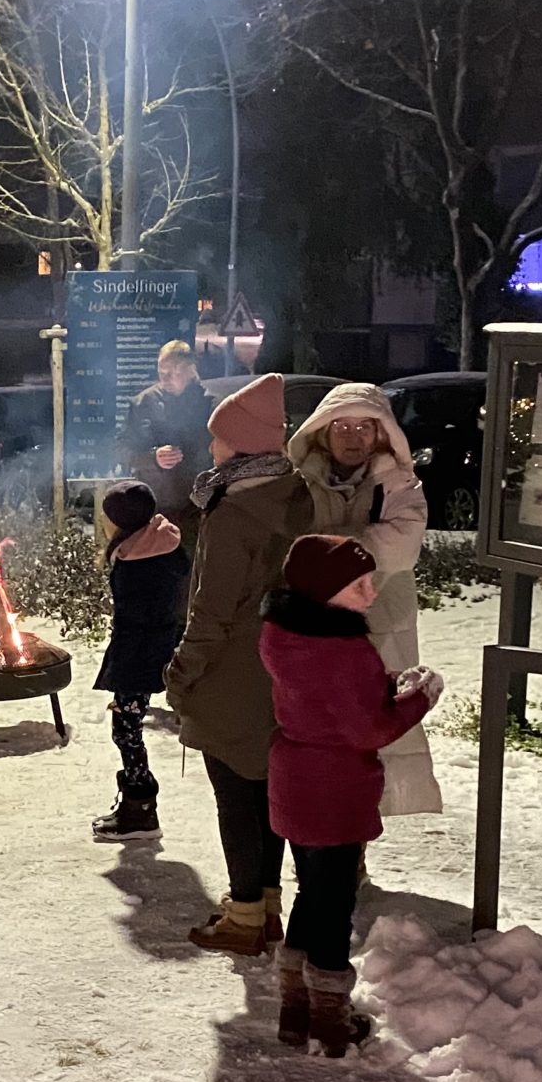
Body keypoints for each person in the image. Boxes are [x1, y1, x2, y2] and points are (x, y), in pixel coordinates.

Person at [259, 534, 442, 1054]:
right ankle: (330, 1022)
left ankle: (294, 1010)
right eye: (358, 585)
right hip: (334, 789)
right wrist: (420, 699)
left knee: (310, 893)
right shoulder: (345, 650)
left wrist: (383, 684)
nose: (371, 592)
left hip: (295, 778)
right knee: (335, 905)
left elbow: (328, 694)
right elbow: (369, 730)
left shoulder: (285, 634)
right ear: (324, 592)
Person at [163, 371, 304, 953]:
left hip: (233, 674)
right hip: (286, 667)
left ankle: (244, 916)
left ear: (241, 444)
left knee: (235, 795)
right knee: (269, 789)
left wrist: (180, 675)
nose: (211, 446)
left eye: (219, 437)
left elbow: (211, 611)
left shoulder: (233, 512)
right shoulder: (297, 494)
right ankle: (266, 904)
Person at [284, 381, 443, 817]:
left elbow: (402, 544)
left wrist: (326, 550)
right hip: (314, 623)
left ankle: (356, 830)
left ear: (381, 432)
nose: (352, 437)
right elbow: (284, 540)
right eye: (342, 426)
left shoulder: (399, 482)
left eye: (364, 427)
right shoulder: (298, 481)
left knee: (372, 722)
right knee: (319, 724)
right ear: (323, 430)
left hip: (381, 615)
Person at [90, 478, 190, 842]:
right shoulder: (161, 543)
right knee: (127, 726)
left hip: (139, 654)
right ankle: (138, 805)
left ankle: (141, 810)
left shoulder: (135, 560)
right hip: (156, 645)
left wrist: (122, 669)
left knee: (126, 730)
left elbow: (134, 618)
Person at [119, 339, 211, 531]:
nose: (165, 379)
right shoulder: (143, 403)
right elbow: (122, 451)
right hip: (157, 508)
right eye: (161, 373)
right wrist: (153, 458)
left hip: (200, 508)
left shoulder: (210, 403)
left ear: (190, 370)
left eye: (173, 373)